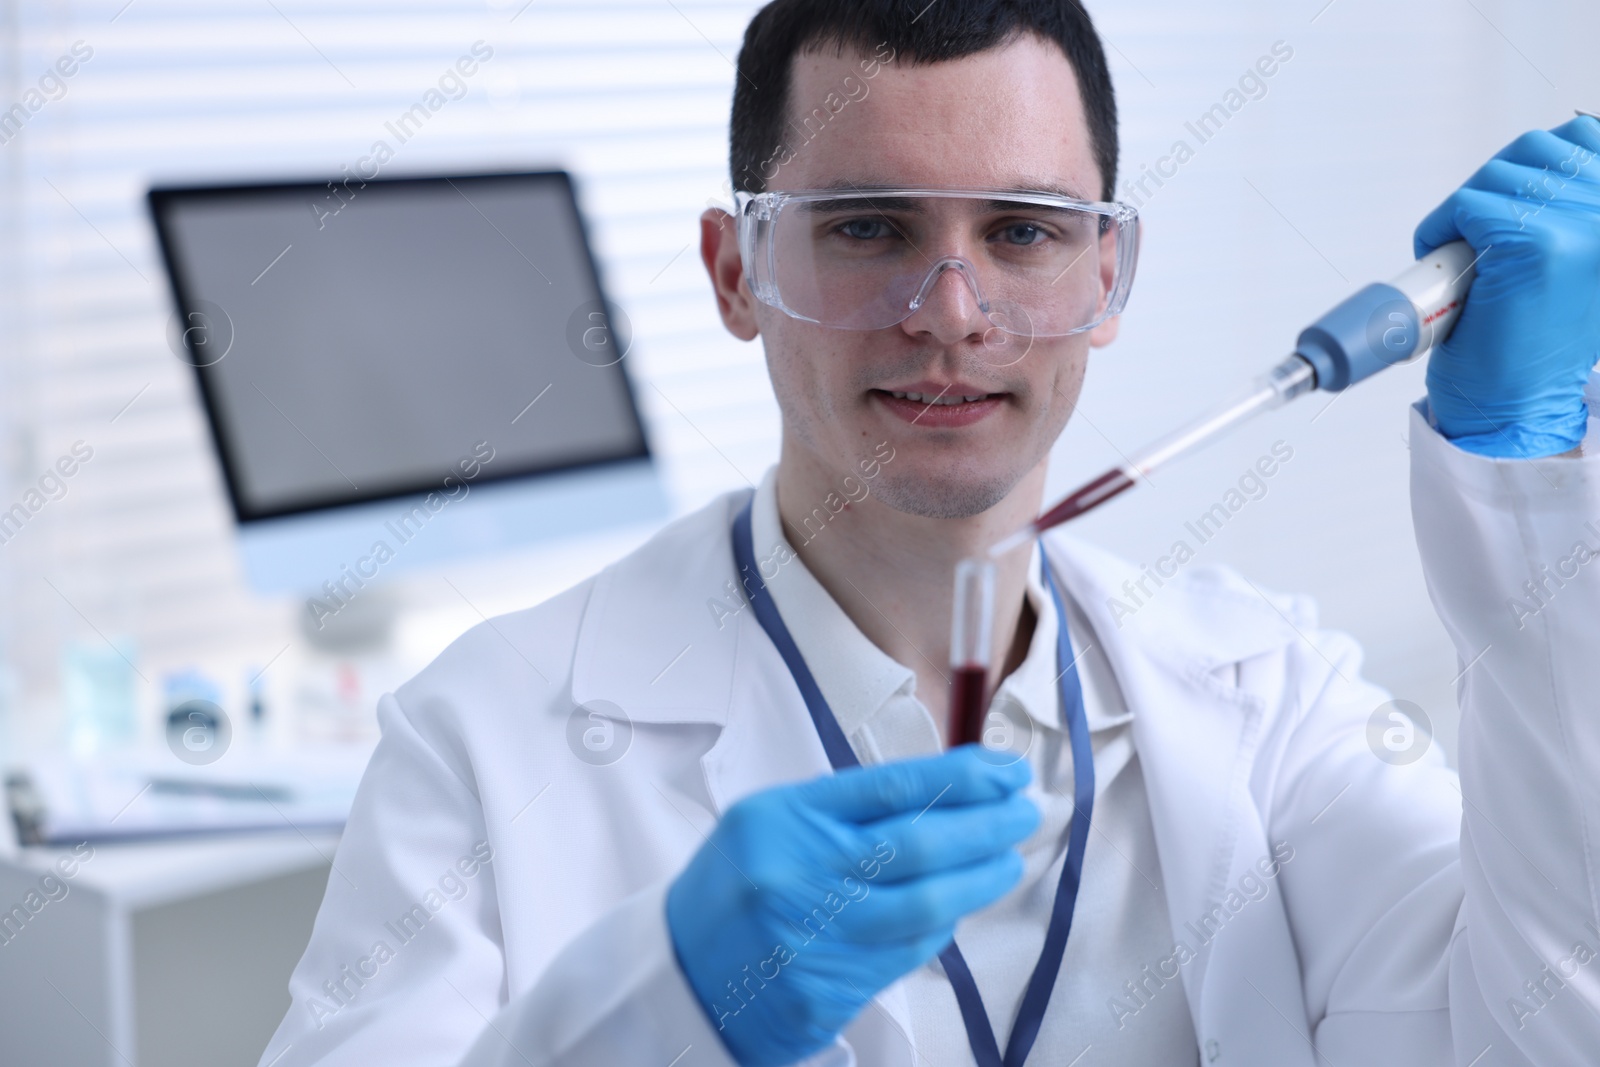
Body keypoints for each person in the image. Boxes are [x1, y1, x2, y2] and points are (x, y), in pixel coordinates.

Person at [258, 2, 1600, 1065]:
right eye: (868, 227)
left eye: (1023, 231)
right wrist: (659, 1017)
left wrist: (1531, 498)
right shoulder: (488, 739)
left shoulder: (1273, 705)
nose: (952, 311)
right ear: (738, 274)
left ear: (1108, 276)